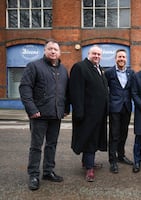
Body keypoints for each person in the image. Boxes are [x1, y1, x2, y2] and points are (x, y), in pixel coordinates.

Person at [19, 39, 70, 191]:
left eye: (55, 49)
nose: (53, 51)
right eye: (50, 49)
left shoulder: (63, 70)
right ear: (45, 51)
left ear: (59, 52)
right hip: (39, 115)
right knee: (36, 147)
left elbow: (66, 92)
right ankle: (33, 175)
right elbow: (25, 88)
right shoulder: (34, 66)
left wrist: (66, 108)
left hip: (56, 115)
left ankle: (48, 171)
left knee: (51, 145)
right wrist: (32, 110)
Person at [69, 45, 109, 182]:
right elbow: (75, 91)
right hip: (87, 114)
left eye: (99, 54)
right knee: (89, 140)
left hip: (99, 113)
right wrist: (79, 112)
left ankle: (87, 162)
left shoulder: (100, 69)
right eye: (94, 54)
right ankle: (89, 168)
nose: (97, 56)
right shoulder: (80, 67)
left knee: (94, 138)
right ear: (88, 53)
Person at [105, 49, 134, 174]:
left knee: (124, 133)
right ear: (115, 58)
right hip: (114, 108)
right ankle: (113, 160)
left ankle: (121, 155)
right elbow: (103, 89)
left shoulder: (131, 73)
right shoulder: (109, 72)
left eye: (123, 57)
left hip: (126, 107)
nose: (121, 59)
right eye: (119, 57)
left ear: (126, 59)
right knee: (114, 135)